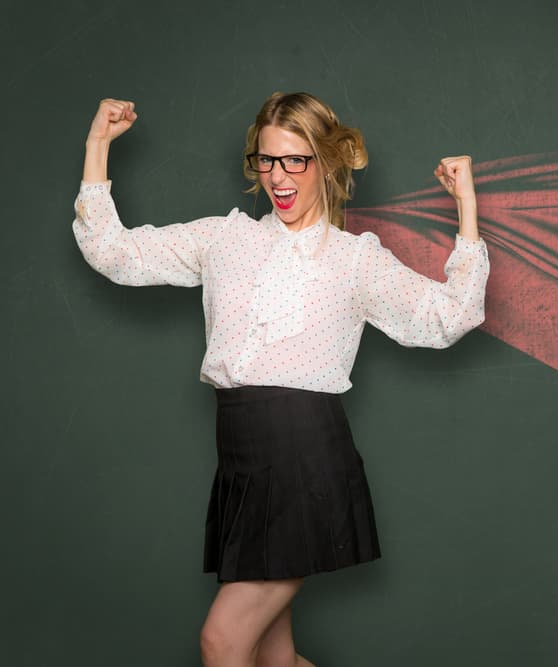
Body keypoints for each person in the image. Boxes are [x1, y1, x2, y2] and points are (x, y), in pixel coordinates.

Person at [73, 93, 489, 667]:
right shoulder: (224, 239)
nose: (278, 176)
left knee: (223, 641)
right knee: (276, 658)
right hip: (242, 460)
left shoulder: (355, 260)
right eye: (267, 160)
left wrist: (466, 207)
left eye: (296, 160)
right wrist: (97, 144)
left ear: (327, 163)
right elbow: (114, 252)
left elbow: (449, 316)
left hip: (304, 458)